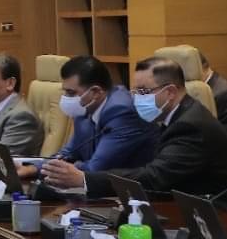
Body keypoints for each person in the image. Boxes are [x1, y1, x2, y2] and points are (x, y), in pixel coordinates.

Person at [41, 58, 227, 215]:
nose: (136, 98)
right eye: (135, 91)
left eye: (144, 92)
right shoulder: (172, 117)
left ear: (170, 92)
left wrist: (85, 179)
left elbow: (155, 177)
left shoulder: (190, 125)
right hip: (193, 208)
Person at [19, 55, 158, 180]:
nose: (66, 98)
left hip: (133, 193)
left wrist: (69, 166)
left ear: (96, 92)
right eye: (65, 92)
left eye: (71, 93)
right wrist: (33, 169)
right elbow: (68, 153)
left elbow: (96, 168)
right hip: (97, 188)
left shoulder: (122, 112)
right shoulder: (85, 109)